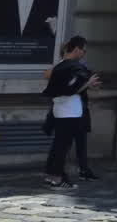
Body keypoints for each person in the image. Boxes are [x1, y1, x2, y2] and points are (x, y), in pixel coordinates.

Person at [42, 36, 100, 189]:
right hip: (68, 112)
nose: (84, 54)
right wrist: (87, 83)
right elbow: (69, 91)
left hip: (62, 110)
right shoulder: (69, 66)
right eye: (83, 51)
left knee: (58, 145)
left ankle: (52, 175)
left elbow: (63, 89)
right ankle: (57, 178)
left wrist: (86, 84)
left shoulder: (61, 66)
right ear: (76, 49)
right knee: (62, 146)